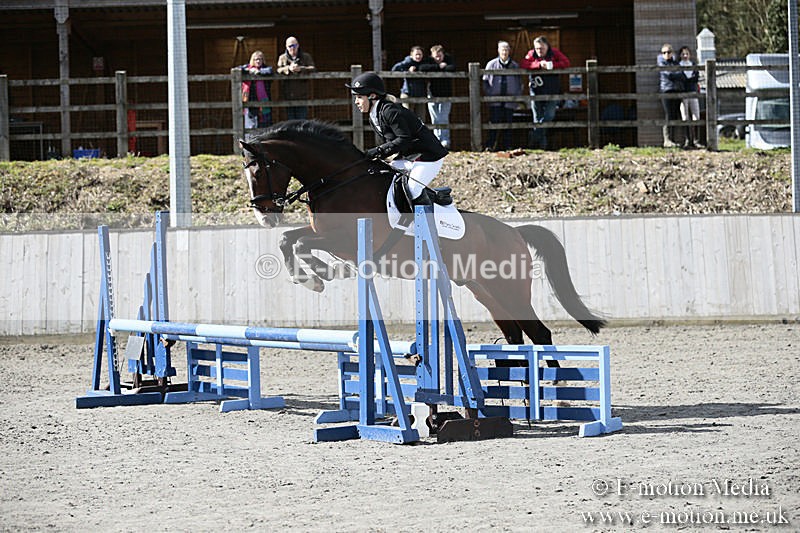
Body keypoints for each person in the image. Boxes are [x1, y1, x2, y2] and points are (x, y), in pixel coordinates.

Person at [346, 71, 448, 207]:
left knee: (413, 190)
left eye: (359, 97)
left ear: (372, 96)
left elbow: (404, 139)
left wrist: (377, 151)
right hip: (409, 157)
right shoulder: (374, 114)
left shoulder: (389, 111)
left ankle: (425, 227)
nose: (356, 102)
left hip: (428, 157)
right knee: (383, 178)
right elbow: (392, 143)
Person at [520, 36, 570, 150]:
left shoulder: (554, 53)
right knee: (537, 118)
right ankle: (542, 147)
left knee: (549, 116)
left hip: (552, 91)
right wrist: (538, 65)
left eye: (541, 48)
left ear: (547, 46)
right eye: (537, 48)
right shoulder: (532, 54)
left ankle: (533, 137)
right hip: (536, 92)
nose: (539, 51)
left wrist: (552, 65)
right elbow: (524, 64)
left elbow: (566, 63)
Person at [482, 41, 522, 151]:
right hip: (495, 101)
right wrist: (489, 94)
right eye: (502, 49)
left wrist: (517, 97)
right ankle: (490, 146)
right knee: (494, 124)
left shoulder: (515, 66)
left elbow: (519, 82)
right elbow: (485, 81)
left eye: (506, 49)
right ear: (498, 51)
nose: (504, 52)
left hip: (510, 102)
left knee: (508, 125)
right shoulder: (491, 64)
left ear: (509, 51)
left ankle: (507, 147)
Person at [419, 44, 456, 148]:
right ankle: (437, 140)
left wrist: (441, 68)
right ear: (432, 55)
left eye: (440, 56)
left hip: (446, 94)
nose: (438, 58)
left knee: (443, 118)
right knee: (435, 118)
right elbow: (422, 67)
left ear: (443, 54)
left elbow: (452, 68)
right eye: (436, 56)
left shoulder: (449, 59)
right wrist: (438, 67)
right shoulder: (430, 61)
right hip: (432, 94)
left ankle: (445, 141)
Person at [276, 36, 316, 120]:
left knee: (302, 121)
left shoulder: (306, 56)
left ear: (298, 45)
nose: (292, 48)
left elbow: (313, 69)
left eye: (294, 45)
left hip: (302, 94)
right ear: (286, 47)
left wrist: (301, 69)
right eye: (290, 46)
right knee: (291, 121)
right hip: (288, 94)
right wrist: (288, 69)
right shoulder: (282, 58)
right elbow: (278, 70)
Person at [391, 46, 435, 120]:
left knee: (421, 119)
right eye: (416, 54)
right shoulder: (407, 62)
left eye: (420, 54)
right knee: (407, 118)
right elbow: (394, 69)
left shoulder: (424, 63)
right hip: (408, 93)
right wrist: (407, 71)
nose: (418, 56)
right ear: (411, 55)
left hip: (421, 94)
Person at [657, 43, 685, 148]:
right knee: (668, 115)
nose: (666, 54)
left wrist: (676, 74)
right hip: (666, 90)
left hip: (676, 90)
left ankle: (672, 139)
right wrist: (676, 74)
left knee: (674, 115)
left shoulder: (675, 63)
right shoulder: (661, 62)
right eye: (664, 52)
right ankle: (667, 139)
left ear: (672, 53)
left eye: (668, 52)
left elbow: (682, 75)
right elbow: (668, 74)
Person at [240, 50, 273, 131]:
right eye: (256, 59)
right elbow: (237, 69)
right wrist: (249, 71)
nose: (258, 61)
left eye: (260, 59)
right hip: (249, 100)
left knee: (264, 126)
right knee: (249, 126)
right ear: (252, 60)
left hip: (263, 101)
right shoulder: (247, 68)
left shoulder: (266, 69)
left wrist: (259, 72)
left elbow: (270, 71)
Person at [678, 46, 703, 148]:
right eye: (683, 54)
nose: (685, 56)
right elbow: (680, 79)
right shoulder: (678, 66)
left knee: (696, 116)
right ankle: (688, 140)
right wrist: (688, 80)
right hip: (683, 93)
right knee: (685, 117)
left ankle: (696, 140)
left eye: (687, 54)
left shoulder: (693, 65)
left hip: (693, 92)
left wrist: (688, 80)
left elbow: (696, 78)